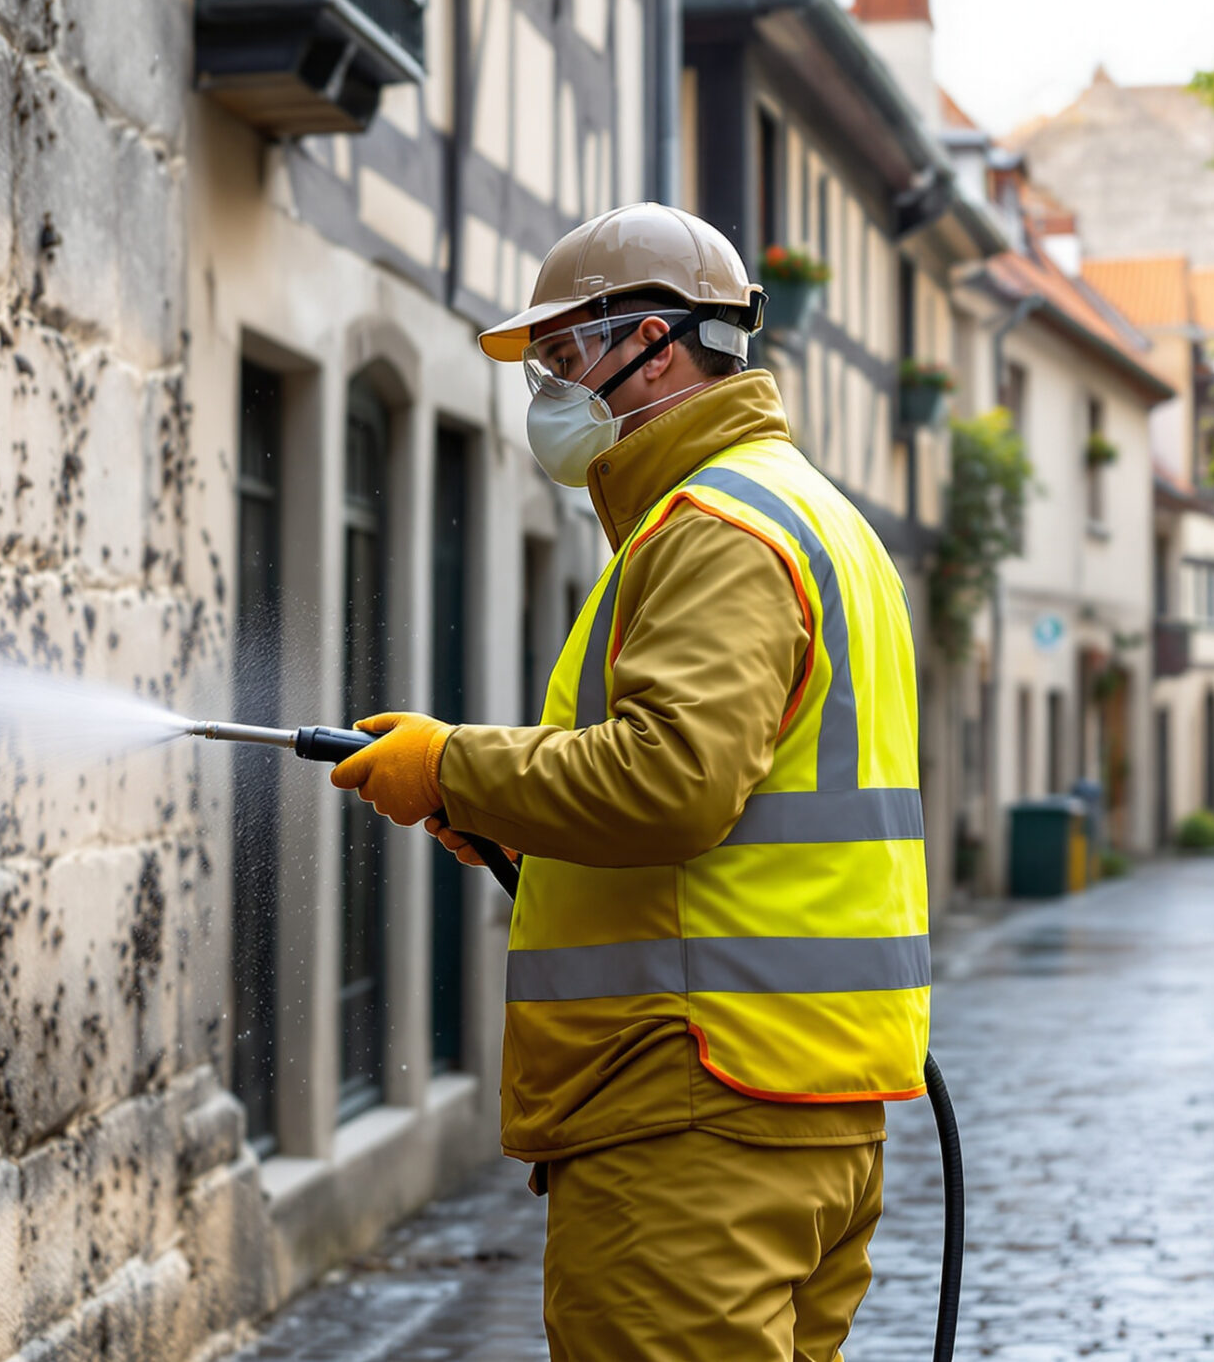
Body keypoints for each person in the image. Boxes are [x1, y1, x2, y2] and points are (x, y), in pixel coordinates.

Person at [328, 203, 930, 1361]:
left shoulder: (711, 529)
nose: (547, 394)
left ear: (654, 342)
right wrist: (497, 812)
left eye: (562, 359)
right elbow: (746, 808)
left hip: (691, 1108)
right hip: (795, 1104)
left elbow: (670, 783)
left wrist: (451, 762)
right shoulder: (815, 517)